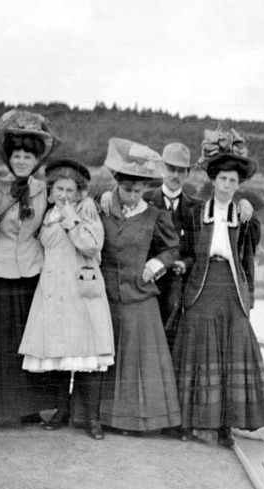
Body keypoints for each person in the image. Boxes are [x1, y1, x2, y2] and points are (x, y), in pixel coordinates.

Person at [0, 110, 96, 429]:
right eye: (16, 155)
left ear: (35, 161)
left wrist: (86, 203)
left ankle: (30, 406)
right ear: (9, 158)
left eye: (27, 156)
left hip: (34, 275)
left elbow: (68, 202)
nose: (21, 161)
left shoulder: (44, 191)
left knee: (29, 346)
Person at [99, 141, 254, 350]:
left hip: (182, 289)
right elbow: (117, 198)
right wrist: (106, 194)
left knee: (178, 348)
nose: (175, 175)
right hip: (144, 287)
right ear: (162, 169)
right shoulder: (142, 199)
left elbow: (206, 237)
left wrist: (243, 204)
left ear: (188, 173)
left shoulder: (198, 208)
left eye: (181, 171)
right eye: (171, 168)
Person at [173, 130, 264, 448]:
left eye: (233, 182)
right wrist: (183, 268)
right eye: (223, 180)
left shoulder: (244, 217)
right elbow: (187, 253)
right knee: (197, 352)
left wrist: (250, 296)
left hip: (232, 288)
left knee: (232, 352)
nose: (228, 186)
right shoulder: (195, 214)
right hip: (203, 283)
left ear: (237, 185)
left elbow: (248, 259)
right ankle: (188, 422)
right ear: (213, 181)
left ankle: (224, 427)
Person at [18, 159, 114, 440]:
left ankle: (93, 419)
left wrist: (72, 216)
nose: (63, 195)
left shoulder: (87, 213)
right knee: (60, 355)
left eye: (69, 190)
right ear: (50, 191)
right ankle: (63, 411)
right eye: (59, 189)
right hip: (53, 293)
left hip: (82, 292)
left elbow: (91, 245)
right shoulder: (46, 216)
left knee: (89, 355)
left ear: (79, 193)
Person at [98, 138, 182, 434]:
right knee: (107, 360)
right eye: (126, 190)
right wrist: (106, 195)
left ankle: (137, 421)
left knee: (137, 362)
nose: (132, 196)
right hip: (105, 296)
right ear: (117, 185)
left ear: (145, 189)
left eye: (138, 191)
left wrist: (156, 265)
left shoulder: (155, 216)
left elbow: (172, 248)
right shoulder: (103, 207)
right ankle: (103, 418)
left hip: (140, 295)